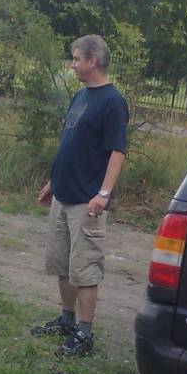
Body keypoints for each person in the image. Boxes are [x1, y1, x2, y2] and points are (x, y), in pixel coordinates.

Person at [33, 35, 129, 356]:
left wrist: (103, 193)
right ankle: (66, 320)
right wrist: (53, 182)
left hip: (87, 201)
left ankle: (84, 334)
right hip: (63, 194)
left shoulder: (113, 102)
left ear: (93, 61)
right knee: (63, 263)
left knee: (85, 269)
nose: (72, 64)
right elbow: (71, 144)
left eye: (76, 59)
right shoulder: (80, 96)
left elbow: (117, 152)